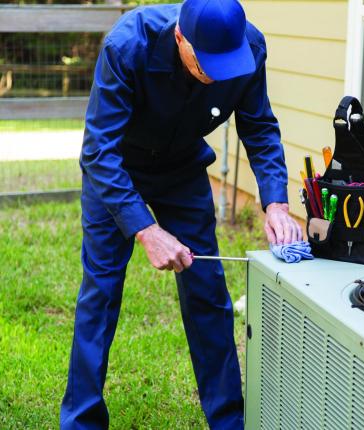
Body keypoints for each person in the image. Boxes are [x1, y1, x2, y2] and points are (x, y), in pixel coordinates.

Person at [60, 0, 302, 427]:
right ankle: (81, 420)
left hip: (183, 169)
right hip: (118, 168)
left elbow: (259, 126)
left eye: (224, 63)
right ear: (179, 38)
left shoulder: (249, 49)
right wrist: (146, 229)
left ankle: (228, 420)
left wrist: (275, 202)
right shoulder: (127, 44)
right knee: (100, 294)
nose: (215, 75)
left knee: (207, 291)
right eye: (205, 63)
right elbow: (98, 151)